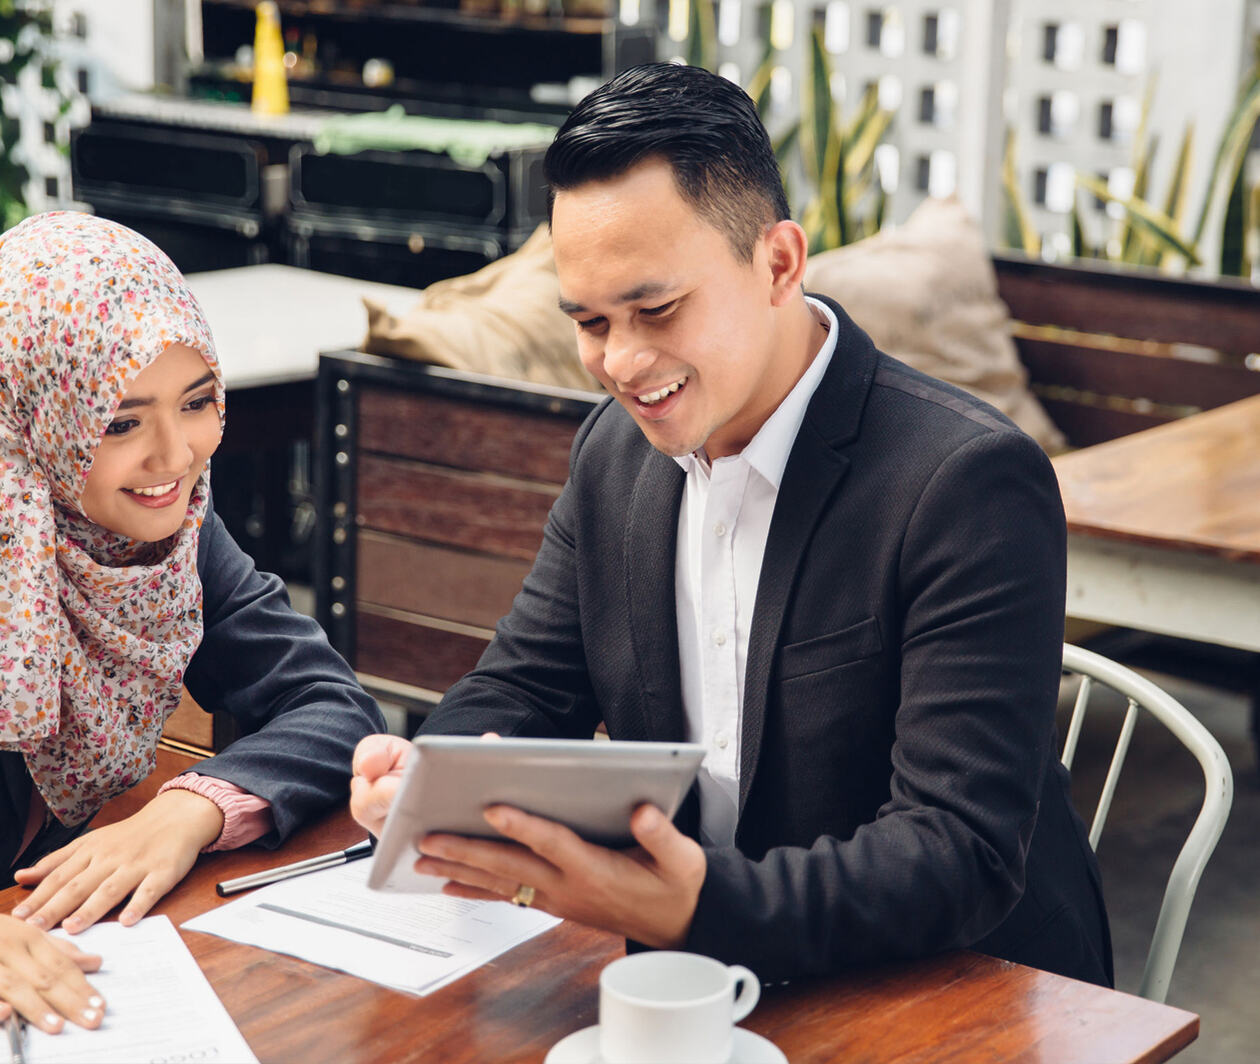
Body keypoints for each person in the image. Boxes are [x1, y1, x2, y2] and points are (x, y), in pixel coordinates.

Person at [350, 62, 1112, 987]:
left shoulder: (966, 482)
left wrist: (691, 905)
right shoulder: (615, 454)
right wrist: (434, 775)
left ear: (779, 264)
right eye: (590, 321)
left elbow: (958, 855)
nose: (622, 362)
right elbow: (525, 684)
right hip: (705, 975)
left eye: (657, 308)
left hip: (958, 986)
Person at [0, 211, 384, 1033]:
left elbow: (334, 709)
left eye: (198, 401)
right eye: (119, 422)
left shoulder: (172, 537)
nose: (175, 456)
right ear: (34, 414)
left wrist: (187, 812)